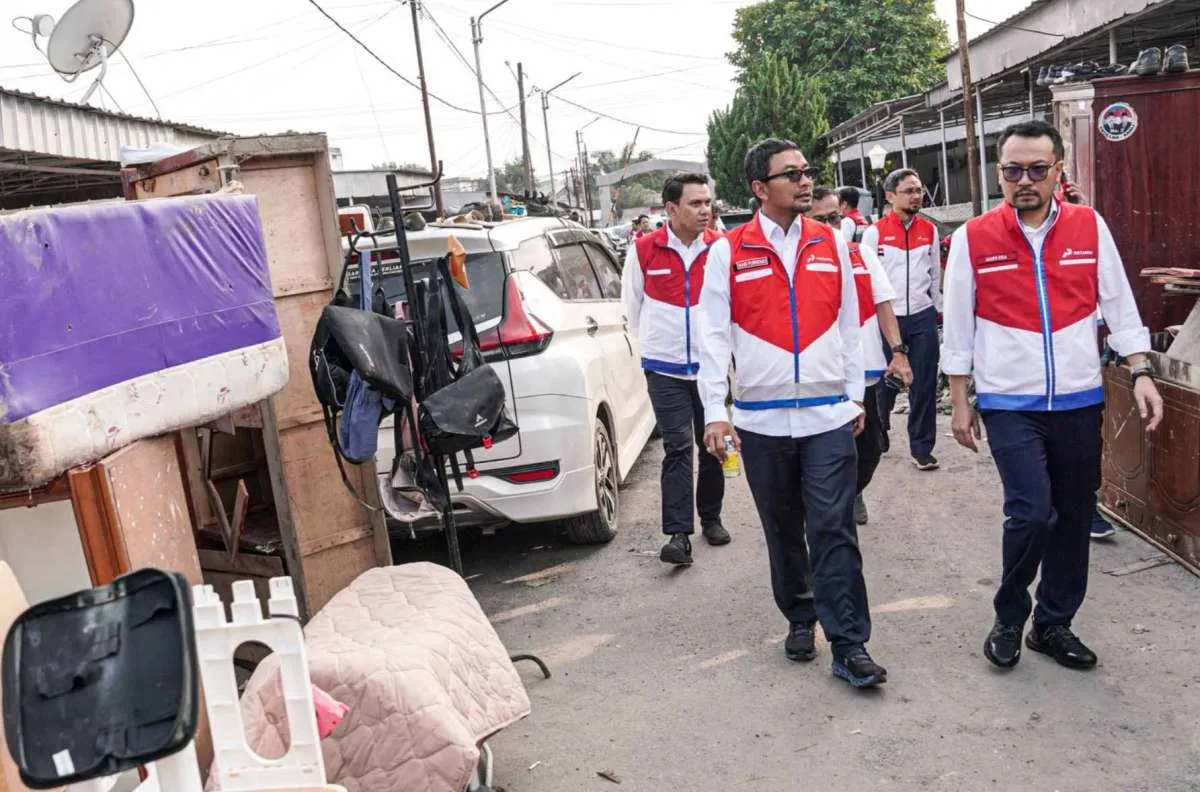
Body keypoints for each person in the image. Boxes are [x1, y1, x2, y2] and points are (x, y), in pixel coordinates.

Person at [942, 119, 1163, 672]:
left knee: (1072, 514)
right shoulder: (973, 237)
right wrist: (961, 398)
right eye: (1013, 170)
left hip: (1078, 399)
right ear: (999, 174)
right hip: (1008, 402)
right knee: (1032, 514)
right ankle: (1010, 615)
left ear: (1058, 172)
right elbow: (959, 326)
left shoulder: (1089, 227)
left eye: (1038, 169)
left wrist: (1140, 369)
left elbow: (1118, 302)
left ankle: (1054, 622)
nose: (1025, 181)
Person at [697, 138, 886, 689]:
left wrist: (854, 395)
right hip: (760, 423)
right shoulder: (728, 252)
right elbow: (712, 339)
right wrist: (715, 410)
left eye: (807, 172)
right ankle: (801, 617)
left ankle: (849, 643)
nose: (806, 182)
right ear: (759, 188)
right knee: (783, 529)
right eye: (791, 175)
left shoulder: (832, 243)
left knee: (834, 528)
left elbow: (851, 324)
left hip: (827, 418)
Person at [622, 174, 729, 565]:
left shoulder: (720, 248)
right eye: (696, 204)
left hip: (710, 367)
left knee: (713, 443)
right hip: (664, 368)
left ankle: (711, 517)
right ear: (671, 210)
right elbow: (632, 308)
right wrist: (652, 347)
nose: (706, 210)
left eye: (707, 203)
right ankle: (679, 534)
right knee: (678, 445)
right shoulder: (644, 249)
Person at [809, 186, 913, 525]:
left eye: (834, 217)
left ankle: (852, 491)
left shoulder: (861, 255)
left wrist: (898, 352)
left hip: (865, 372)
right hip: (821, 377)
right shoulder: (799, 265)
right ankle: (830, 506)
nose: (830, 225)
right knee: (827, 451)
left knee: (871, 448)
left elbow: (884, 303)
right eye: (820, 219)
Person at [861, 169, 941, 471]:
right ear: (891, 196)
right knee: (884, 384)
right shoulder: (875, 232)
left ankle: (922, 448)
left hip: (921, 315)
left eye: (918, 190)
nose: (916, 195)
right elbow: (867, 279)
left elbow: (934, 271)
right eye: (908, 190)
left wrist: (936, 306)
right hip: (887, 317)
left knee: (924, 384)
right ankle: (880, 430)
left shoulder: (929, 231)